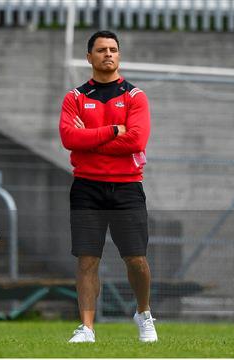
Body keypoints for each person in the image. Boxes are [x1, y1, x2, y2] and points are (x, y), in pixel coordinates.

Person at [59, 30, 157, 343]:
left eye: (113, 49)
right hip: (87, 187)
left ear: (119, 55)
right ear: (89, 56)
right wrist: (114, 130)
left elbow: (137, 140)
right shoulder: (74, 98)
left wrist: (89, 140)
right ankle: (87, 328)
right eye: (101, 50)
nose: (108, 54)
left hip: (127, 187)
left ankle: (143, 313)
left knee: (136, 260)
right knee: (87, 260)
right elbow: (68, 139)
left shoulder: (135, 97)